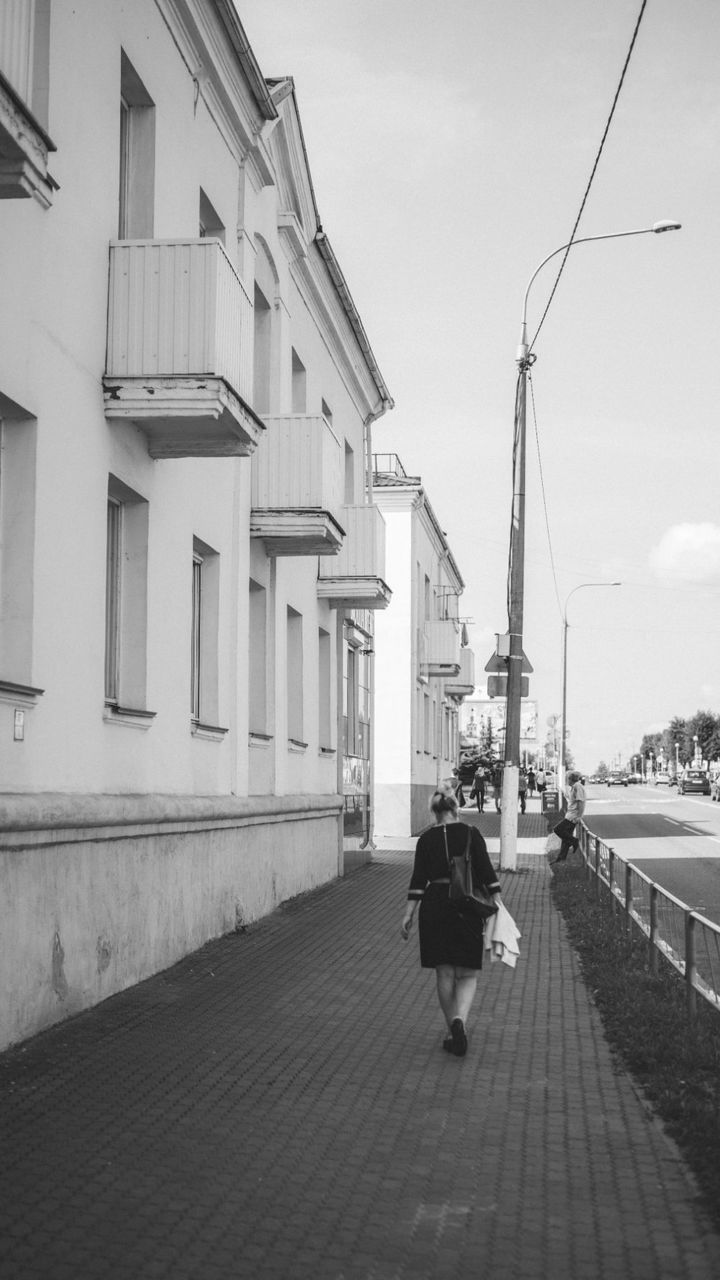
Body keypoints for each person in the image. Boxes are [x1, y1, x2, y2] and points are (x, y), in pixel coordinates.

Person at [400, 784, 502, 1056]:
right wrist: (498, 902)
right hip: (466, 903)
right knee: (468, 972)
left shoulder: (426, 840)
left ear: (434, 812)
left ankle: (451, 1030)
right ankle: (460, 1022)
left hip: (434, 905)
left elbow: (418, 880)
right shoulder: (472, 834)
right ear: (456, 808)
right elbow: (486, 871)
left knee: (444, 972)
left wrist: (408, 913)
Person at [553, 770, 587, 862]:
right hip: (570, 814)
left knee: (558, 830)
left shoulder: (577, 786)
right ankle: (561, 858)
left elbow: (580, 801)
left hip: (573, 816)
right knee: (565, 838)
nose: (567, 780)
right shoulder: (574, 787)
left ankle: (574, 841)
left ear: (571, 779)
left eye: (567, 778)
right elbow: (574, 800)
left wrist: (579, 816)